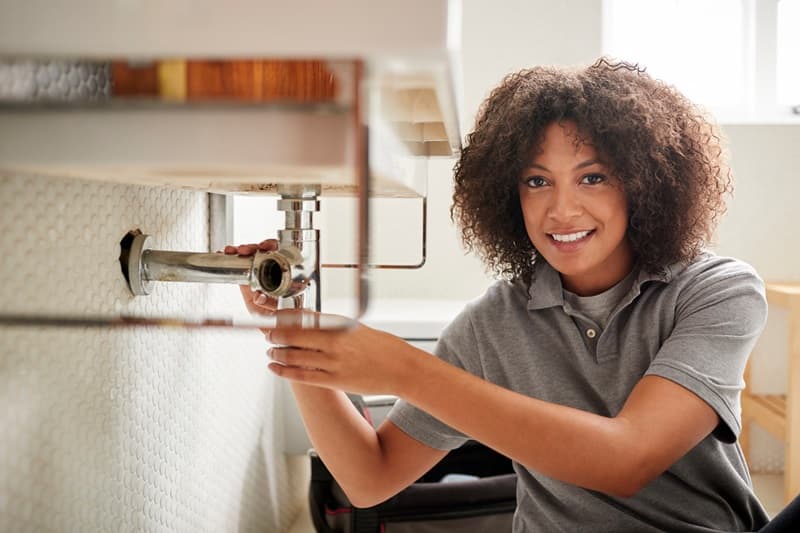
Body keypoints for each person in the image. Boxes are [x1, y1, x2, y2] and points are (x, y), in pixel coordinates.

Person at [227, 58, 783, 531]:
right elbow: (370, 479)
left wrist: (405, 370)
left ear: (643, 182)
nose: (562, 210)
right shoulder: (492, 324)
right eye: (537, 181)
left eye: (592, 178)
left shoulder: (717, 290)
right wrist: (295, 331)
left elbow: (626, 458)